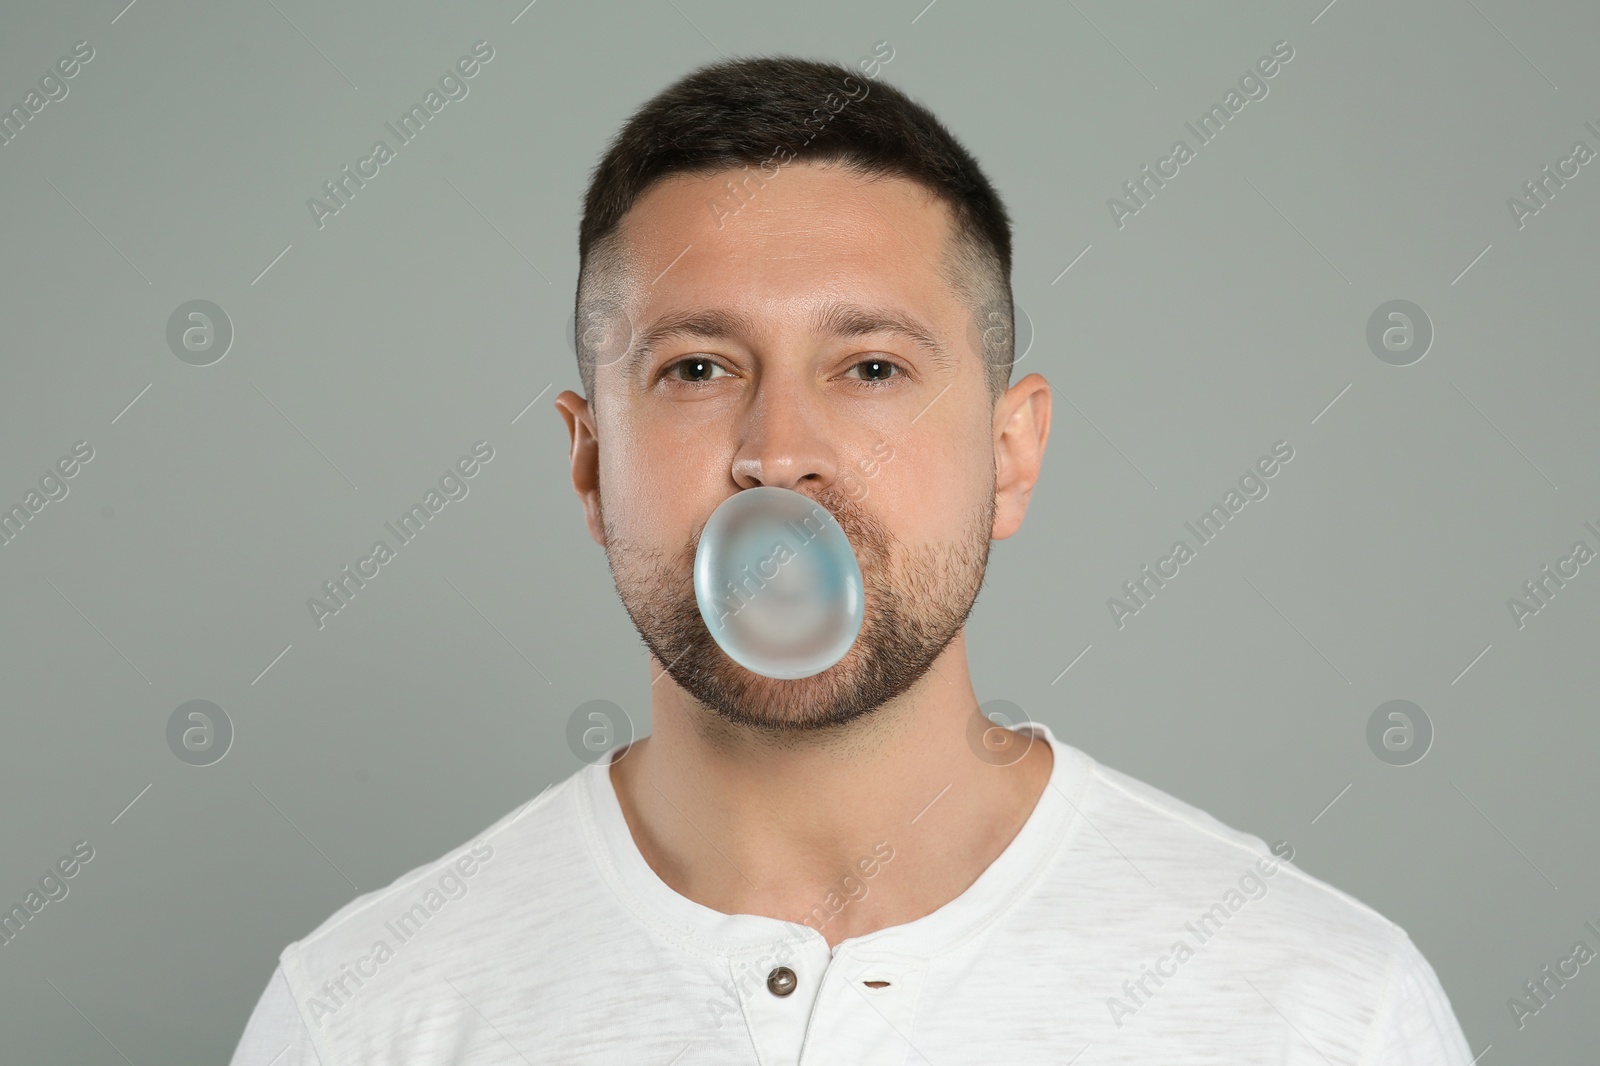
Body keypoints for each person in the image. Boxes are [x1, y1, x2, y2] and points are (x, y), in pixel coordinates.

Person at [229, 55, 1474, 1064]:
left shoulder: (1321, 1012)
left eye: (871, 367)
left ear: (1010, 452)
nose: (779, 454)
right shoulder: (363, 1015)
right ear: (591, 462)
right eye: (697, 369)